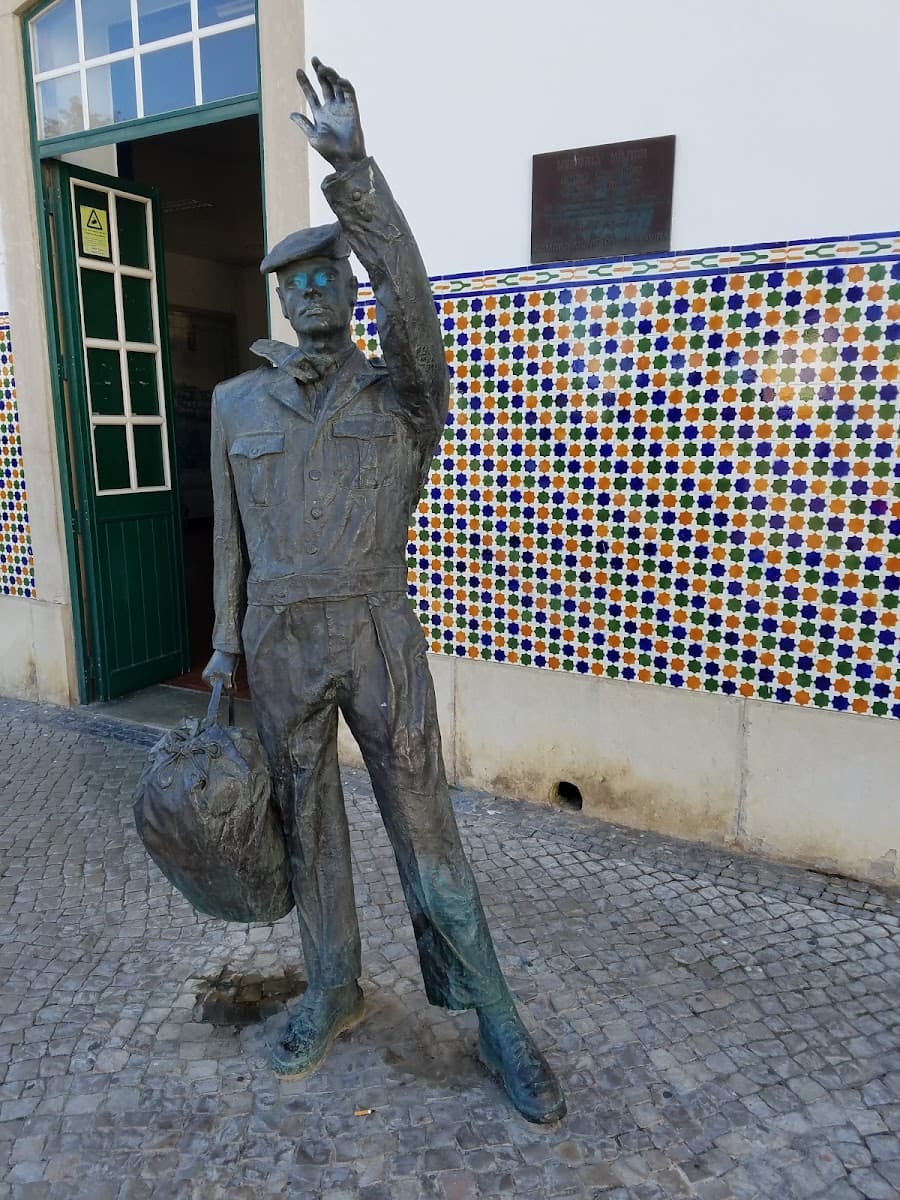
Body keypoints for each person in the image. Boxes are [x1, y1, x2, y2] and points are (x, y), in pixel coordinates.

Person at [202, 58, 565, 1124]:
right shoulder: (234, 404)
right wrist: (222, 646)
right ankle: (333, 985)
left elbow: (410, 296)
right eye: (292, 281)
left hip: (377, 627)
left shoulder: (406, 390)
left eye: (327, 277)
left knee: (427, 831)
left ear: (348, 287)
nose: (310, 292)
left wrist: (354, 170)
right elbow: (228, 539)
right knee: (306, 825)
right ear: (278, 295)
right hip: (276, 639)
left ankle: (497, 1019)